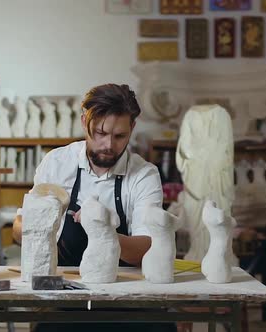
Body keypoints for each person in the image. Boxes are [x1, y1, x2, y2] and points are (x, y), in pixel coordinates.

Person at [13, 83, 175, 332]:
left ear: (132, 127)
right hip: (66, 291)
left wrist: (102, 232)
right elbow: (19, 227)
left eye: (119, 136)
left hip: (127, 291)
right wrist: (36, 231)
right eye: (99, 133)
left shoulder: (144, 174)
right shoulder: (57, 162)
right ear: (83, 123)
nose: (108, 144)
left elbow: (147, 247)